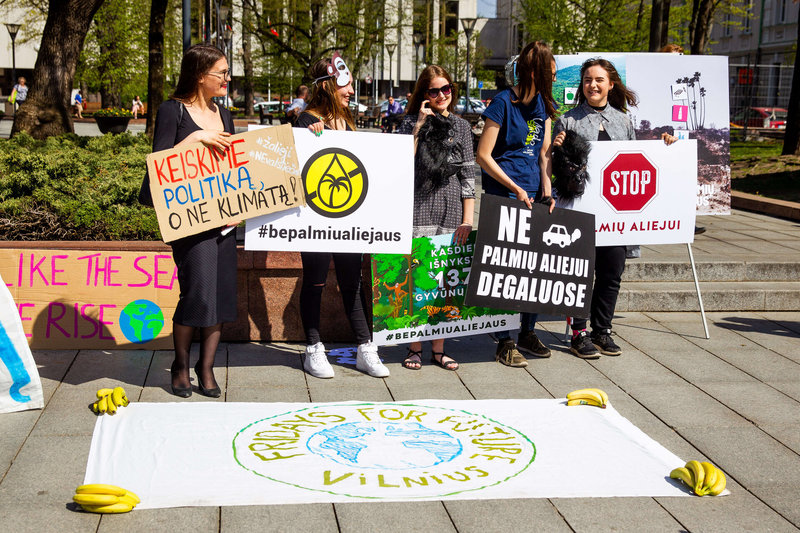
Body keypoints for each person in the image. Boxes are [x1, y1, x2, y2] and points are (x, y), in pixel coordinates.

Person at [553, 57, 676, 359]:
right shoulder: (568, 121)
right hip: (579, 213)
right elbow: (556, 168)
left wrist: (665, 146)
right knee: (579, 274)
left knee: (611, 273)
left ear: (610, 84)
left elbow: (635, 161)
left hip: (615, 216)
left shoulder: (624, 121)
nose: (592, 85)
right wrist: (556, 150)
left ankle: (601, 330)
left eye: (598, 80)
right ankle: (579, 333)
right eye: (587, 80)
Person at [150, 43, 238, 397]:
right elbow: (159, 163)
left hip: (224, 220)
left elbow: (234, 164)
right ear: (201, 76)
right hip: (189, 221)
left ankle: (207, 368)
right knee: (198, 293)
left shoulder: (225, 113)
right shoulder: (173, 111)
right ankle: (181, 363)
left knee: (220, 296)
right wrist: (196, 137)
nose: (227, 78)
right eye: (222, 72)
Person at [295, 53, 389, 379]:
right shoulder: (305, 121)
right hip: (316, 219)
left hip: (349, 218)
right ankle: (313, 347)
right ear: (327, 85)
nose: (350, 91)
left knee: (352, 282)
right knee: (316, 282)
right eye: (344, 85)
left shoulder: (347, 120)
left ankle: (365, 347)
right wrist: (310, 137)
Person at [476, 41, 557, 368]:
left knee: (533, 270)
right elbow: (483, 155)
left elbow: (544, 154)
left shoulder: (545, 105)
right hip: (505, 195)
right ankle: (504, 339)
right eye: (551, 71)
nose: (555, 77)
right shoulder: (502, 103)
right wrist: (515, 188)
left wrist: (546, 192)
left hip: (533, 195)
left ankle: (527, 330)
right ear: (535, 71)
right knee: (504, 269)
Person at [396, 65, 475, 371]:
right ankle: (414, 347)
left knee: (444, 282)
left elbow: (469, 175)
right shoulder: (409, 122)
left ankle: (439, 349)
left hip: (451, 209)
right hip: (418, 206)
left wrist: (467, 220)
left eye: (447, 89)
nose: (442, 95)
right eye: (434, 90)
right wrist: (417, 125)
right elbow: (400, 165)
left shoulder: (462, 127)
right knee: (419, 279)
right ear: (423, 94)